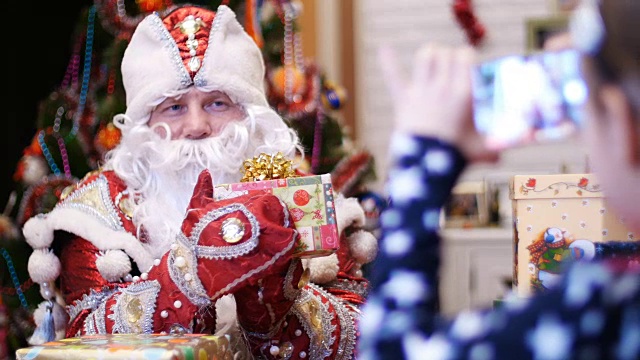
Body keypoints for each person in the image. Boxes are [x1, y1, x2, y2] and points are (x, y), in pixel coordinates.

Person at [22, 4, 378, 359]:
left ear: (251, 114)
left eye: (217, 103)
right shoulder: (98, 213)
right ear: (142, 123)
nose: (196, 126)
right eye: (174, 107)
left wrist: (274, 298)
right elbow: (88, 338)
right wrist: (190, 271)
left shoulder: (301, 199)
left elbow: (361, 338)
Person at [358, 0, 640, 359]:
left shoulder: (604, 312)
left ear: (622, 129)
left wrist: (425, 154)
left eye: (587, 120)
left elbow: (390, 348)